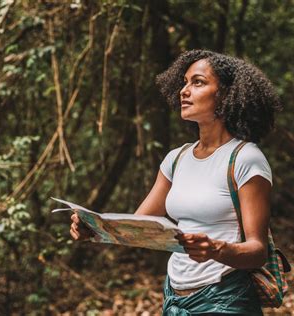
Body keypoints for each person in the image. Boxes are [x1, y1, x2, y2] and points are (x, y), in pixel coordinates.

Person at [70, 49, 281, 315]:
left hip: (225, 297)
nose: (184, 90)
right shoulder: (176, 159)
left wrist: (217, 249)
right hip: (174, 297)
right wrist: (94, 229)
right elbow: (135, 227)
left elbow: (258, 250)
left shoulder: (245, 158)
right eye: (184, 82)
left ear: (225, 95)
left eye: (198, 82)